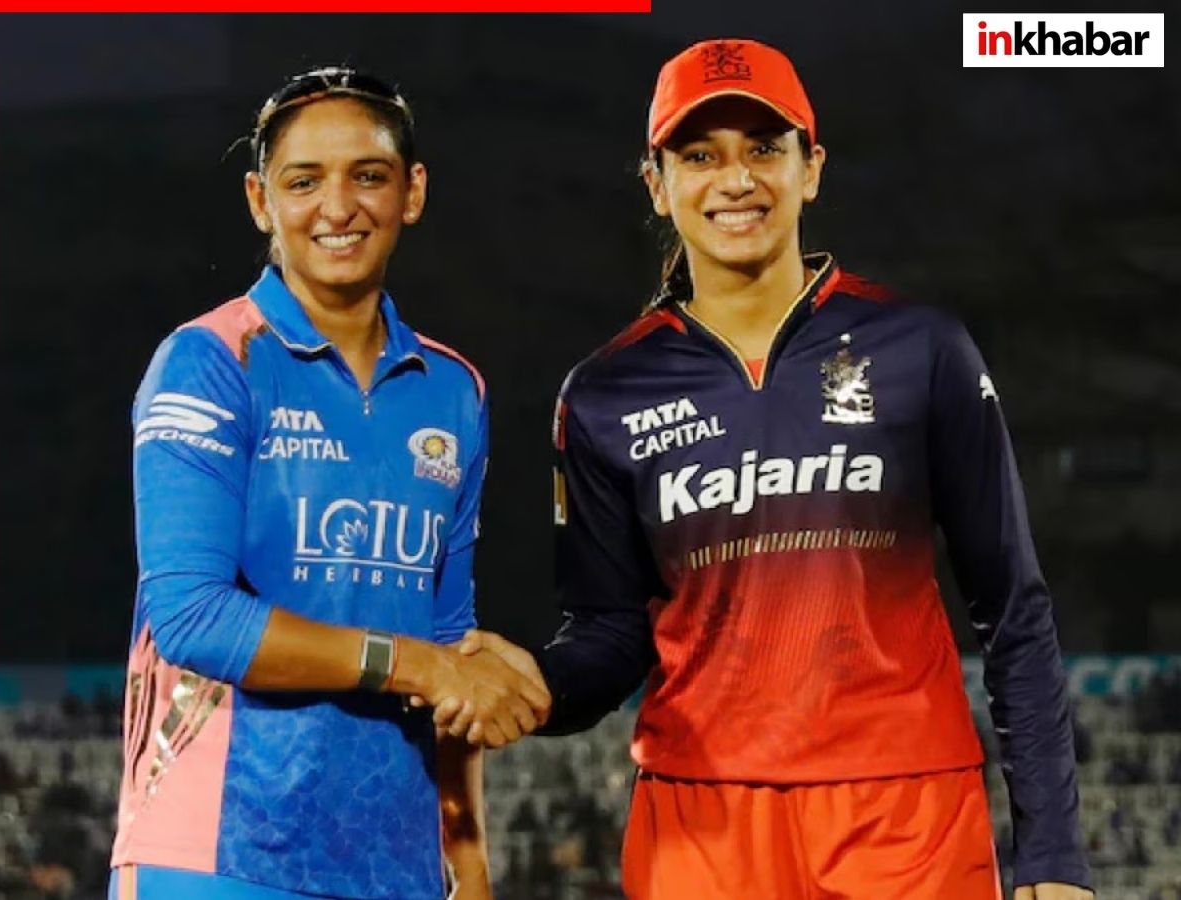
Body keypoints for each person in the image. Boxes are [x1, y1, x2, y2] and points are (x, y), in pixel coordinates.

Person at [444, 39, 1093, 899]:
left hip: (904, 817)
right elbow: (611, 632)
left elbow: (1012, 605)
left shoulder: (922, 349)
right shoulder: (605, 393)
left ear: (810, 169)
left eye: (762, 148)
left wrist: (1054, 855)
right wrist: (539, 684)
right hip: (701, 827)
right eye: (700, 156)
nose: (736, 180)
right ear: (657, 184)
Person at [108, 66, 549, 900]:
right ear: (260, 200)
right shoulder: (209, 361)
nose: (337, 208)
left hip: (396, 864)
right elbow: (194, 617)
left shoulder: (454, 391)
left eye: (368, 176)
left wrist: (466, 853)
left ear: (413, 192)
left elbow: (450, 639)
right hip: (217, 853)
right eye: (304, 181)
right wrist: (417, 666)